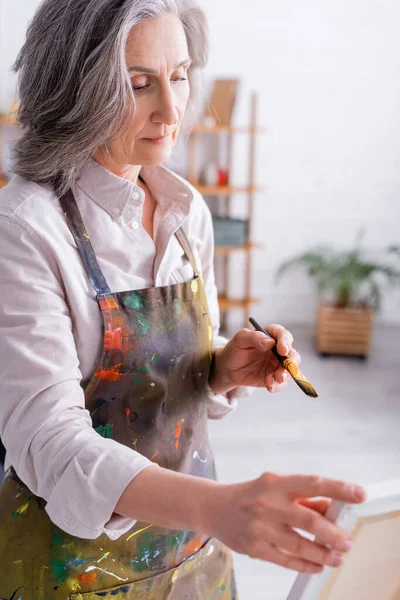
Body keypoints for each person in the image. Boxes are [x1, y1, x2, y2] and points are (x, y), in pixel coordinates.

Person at [0, 1, 366, 598]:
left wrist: (219, 368)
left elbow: (157, 383)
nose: (171, 110)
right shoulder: (24, 228)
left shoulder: (183, 207)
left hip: (192, 553)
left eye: (179, 75)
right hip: (68, 569)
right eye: (139, 84)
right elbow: (49, 443)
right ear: (74, 89)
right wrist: (220, 508)